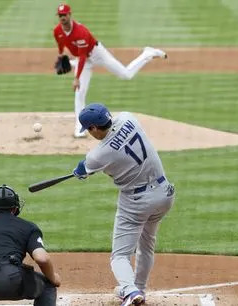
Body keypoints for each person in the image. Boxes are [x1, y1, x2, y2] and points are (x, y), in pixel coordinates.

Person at [72, 103, 175, 306]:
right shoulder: (128, 118)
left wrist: (79, 172)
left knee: (119, 256)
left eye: (89, 130)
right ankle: (139, 289)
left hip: (137, 202)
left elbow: (85, 167)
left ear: (93, 128)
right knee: (146, 246)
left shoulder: (98, 155)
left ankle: (129, 291)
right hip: (164, 194)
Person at [53, 3, 167, 138]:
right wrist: (60, 55)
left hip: (96, 53)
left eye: (64, 15)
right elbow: (61, 44)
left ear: (69, 15)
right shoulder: (57, 31)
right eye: (60, 16)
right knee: (79, 92)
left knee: (126, 74)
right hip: (83, 60)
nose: (62, 18)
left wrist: (77, 78)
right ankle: (79, 127)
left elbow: (83, 56)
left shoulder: (80, 32)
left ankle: (147, 54)